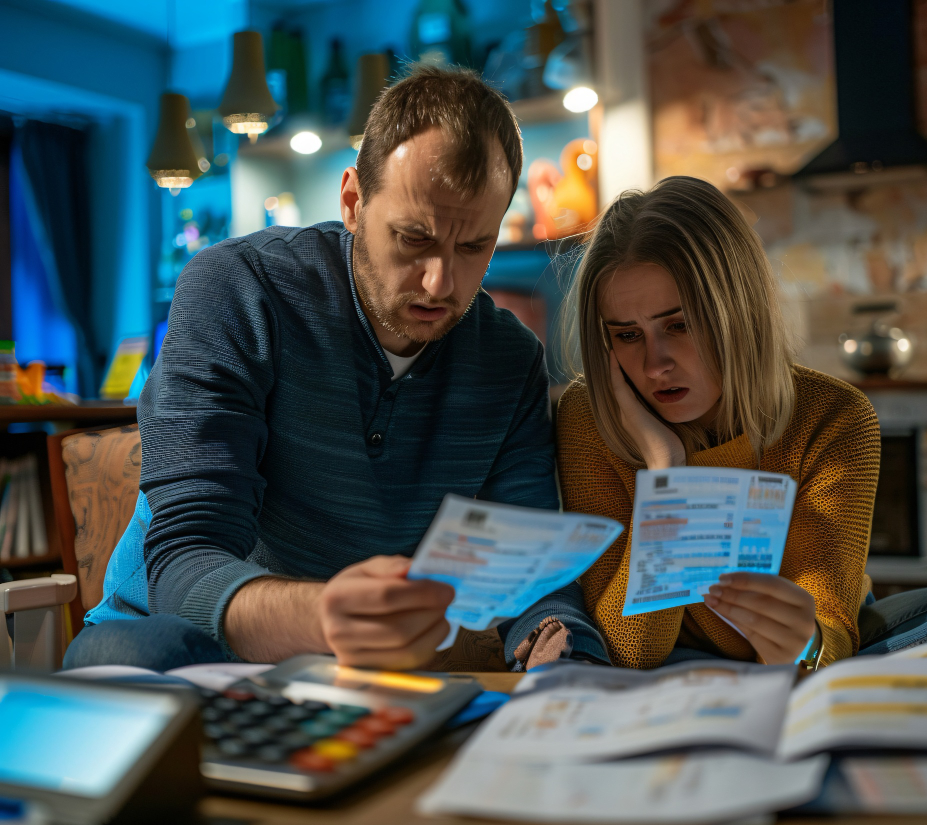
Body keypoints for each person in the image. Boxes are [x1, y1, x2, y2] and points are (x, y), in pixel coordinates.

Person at [63, 66, 608, 672]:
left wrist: (560, 643)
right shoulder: (238, 293)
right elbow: (185, 563)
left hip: (349, 676)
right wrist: (326, 618)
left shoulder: (510, 362)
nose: (440, 282)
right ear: (352, 201)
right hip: (167, 644)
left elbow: (529, 571)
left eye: (473, 246)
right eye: (413, 238)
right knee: (156, 657)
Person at [554, 175, 927, 670]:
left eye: (679, 325)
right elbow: (630, 650)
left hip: (806, 649)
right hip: (670, 652)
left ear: (737, 311)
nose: (656, 364)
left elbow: (828, 629)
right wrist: (667, 475)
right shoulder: (588, 416)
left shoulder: (835, 417)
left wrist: (810, 645)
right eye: (627, 335)